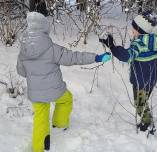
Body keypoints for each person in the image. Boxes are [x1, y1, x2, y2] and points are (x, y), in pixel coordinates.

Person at [16, 12, 111, 152]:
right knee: (66, 100)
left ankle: (39, 147)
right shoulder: (52, 49)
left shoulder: (23, 51)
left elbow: (21, 72)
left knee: (40, 118)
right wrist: (96, 58)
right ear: (44, 32)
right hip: (55, 90)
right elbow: (73, 57)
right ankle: (59, 125)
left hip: (35, 93)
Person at [99, 10, 157, 134]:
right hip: (151, 79)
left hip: (140, 81)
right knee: (144, 101)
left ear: (141, 30)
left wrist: (112, 47)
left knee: (140, 105)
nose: (132, 31)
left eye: (134, 29)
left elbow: (127, 57)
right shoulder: (154, 41)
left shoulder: (139, 44)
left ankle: (149, 125)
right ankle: (146, 121)